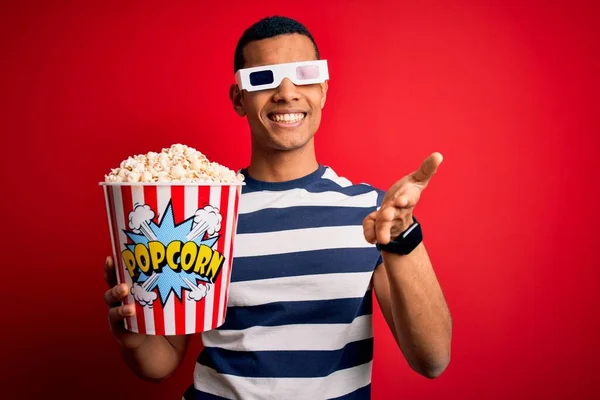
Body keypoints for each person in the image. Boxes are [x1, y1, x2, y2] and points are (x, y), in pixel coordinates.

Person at [103, 15, 452, 399]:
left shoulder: (372, 213)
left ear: (322, 89)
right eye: (263, 78)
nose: (287, 92)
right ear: (239, 98)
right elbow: (162, 362)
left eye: (304, 74)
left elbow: (431, 360)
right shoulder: (201, 211)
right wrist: (132, 336)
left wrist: (403, 238)